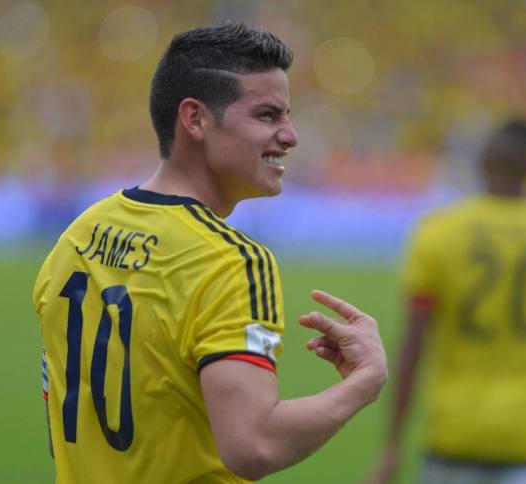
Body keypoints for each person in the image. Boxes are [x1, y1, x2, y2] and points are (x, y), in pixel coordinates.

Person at [32, 22, 387, 484]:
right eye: (267, 115)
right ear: (195, 119)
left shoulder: (79, 236)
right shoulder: (231, 260)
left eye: (287, 115)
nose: (291, 135)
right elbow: (254, 445)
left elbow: (59, 420)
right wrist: (365, 381)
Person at [367, 119, 526, 484]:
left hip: (455, 433)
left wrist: (393, 445)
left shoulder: (439, 231)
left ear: (483, 162)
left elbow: (413, 348)